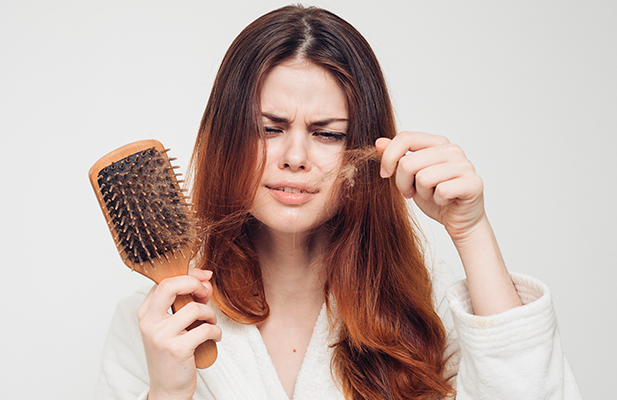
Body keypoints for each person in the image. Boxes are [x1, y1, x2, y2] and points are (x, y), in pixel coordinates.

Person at [95, 5, 582, 400]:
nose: (295, 157)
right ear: (226, 138)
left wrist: (471, 230)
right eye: (269, 129)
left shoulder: (429, 323)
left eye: (327, 134)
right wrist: (167, 391)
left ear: (367, 150)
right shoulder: (152, 328)